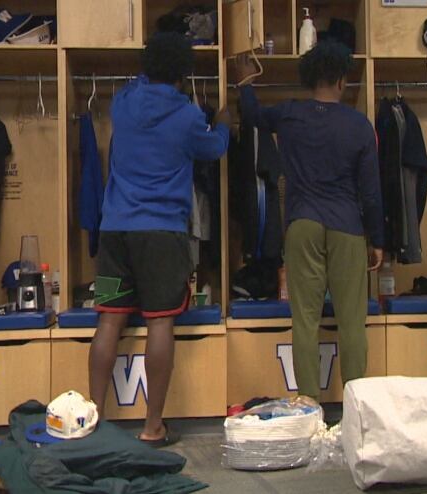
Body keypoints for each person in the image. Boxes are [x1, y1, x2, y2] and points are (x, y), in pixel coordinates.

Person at [89, 32, 230, 446]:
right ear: (183, 73)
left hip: (115, 230)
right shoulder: (188, 116)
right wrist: (222, 120)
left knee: (108, 321)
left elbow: (139, 79)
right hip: (162, 233)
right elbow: (215, 149)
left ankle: (93, 424)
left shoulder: (123, 102)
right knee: (160, 323)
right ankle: (152, 427)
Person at [236, 41, 385, 401]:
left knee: (305, 319)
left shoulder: (290, 114)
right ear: (340, 80)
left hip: (302, 222)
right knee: (352, 321)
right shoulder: (359, 125)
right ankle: (355, 408)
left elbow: (253, 117)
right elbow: (371, 191)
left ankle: (308, 406)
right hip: (347, 225)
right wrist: (377, 239)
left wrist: (245, 82)